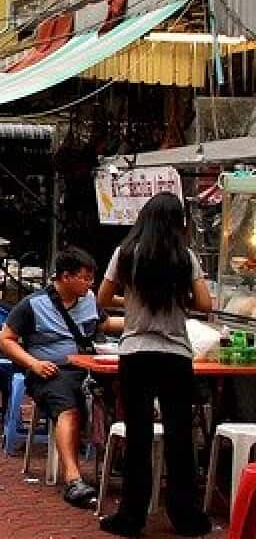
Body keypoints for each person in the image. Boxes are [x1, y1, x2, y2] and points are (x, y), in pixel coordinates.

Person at [95, 193, 212, 537]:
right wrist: (179, 299)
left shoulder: (126, 254)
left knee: (138, 434)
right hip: (176, 355)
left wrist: (131, 297)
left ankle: (132, 516)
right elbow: (204, 303)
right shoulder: (184, 257)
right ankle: (185, 515)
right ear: (178, 222)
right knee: (179, 435)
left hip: (135, 353)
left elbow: (102, 298)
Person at [0, 247, 123, 509]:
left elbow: (106, 324)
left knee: (126, 396)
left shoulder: (89, 300)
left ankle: (120, 462)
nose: (90, 284)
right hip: (51, 371)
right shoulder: (32, 304)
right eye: (85, 278)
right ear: (66, 277)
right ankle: (74, 479)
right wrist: (34, 363)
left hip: (89, 367)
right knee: (69, 410)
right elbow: (6, 340)